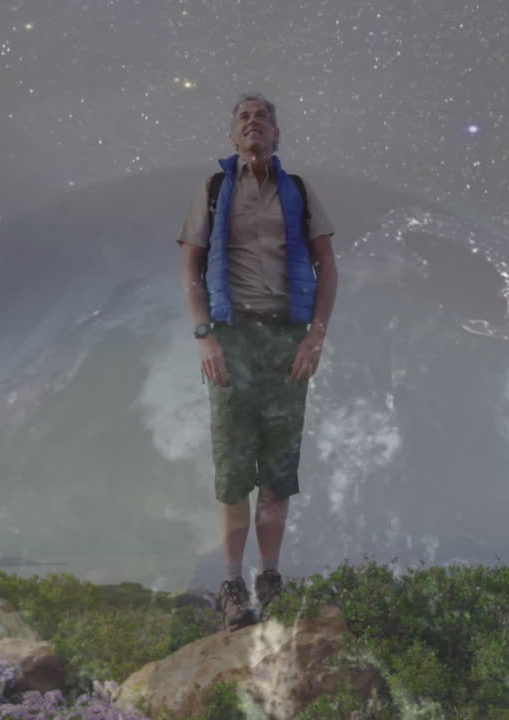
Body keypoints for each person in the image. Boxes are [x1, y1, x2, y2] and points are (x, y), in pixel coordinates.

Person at [175, 92, 338, 633]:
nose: (253, 123)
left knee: (277, 470)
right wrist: (205, 338)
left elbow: (327, 267)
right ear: (231, 135)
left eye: (263, 117)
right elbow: (191, 268)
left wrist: (315, 337)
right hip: (232, 338)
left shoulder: (300, 191)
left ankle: (269, 579)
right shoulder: (214, 189)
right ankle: (230, 586)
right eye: (244, 117)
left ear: (276, 134)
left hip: (287, 342)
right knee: (232, 470)